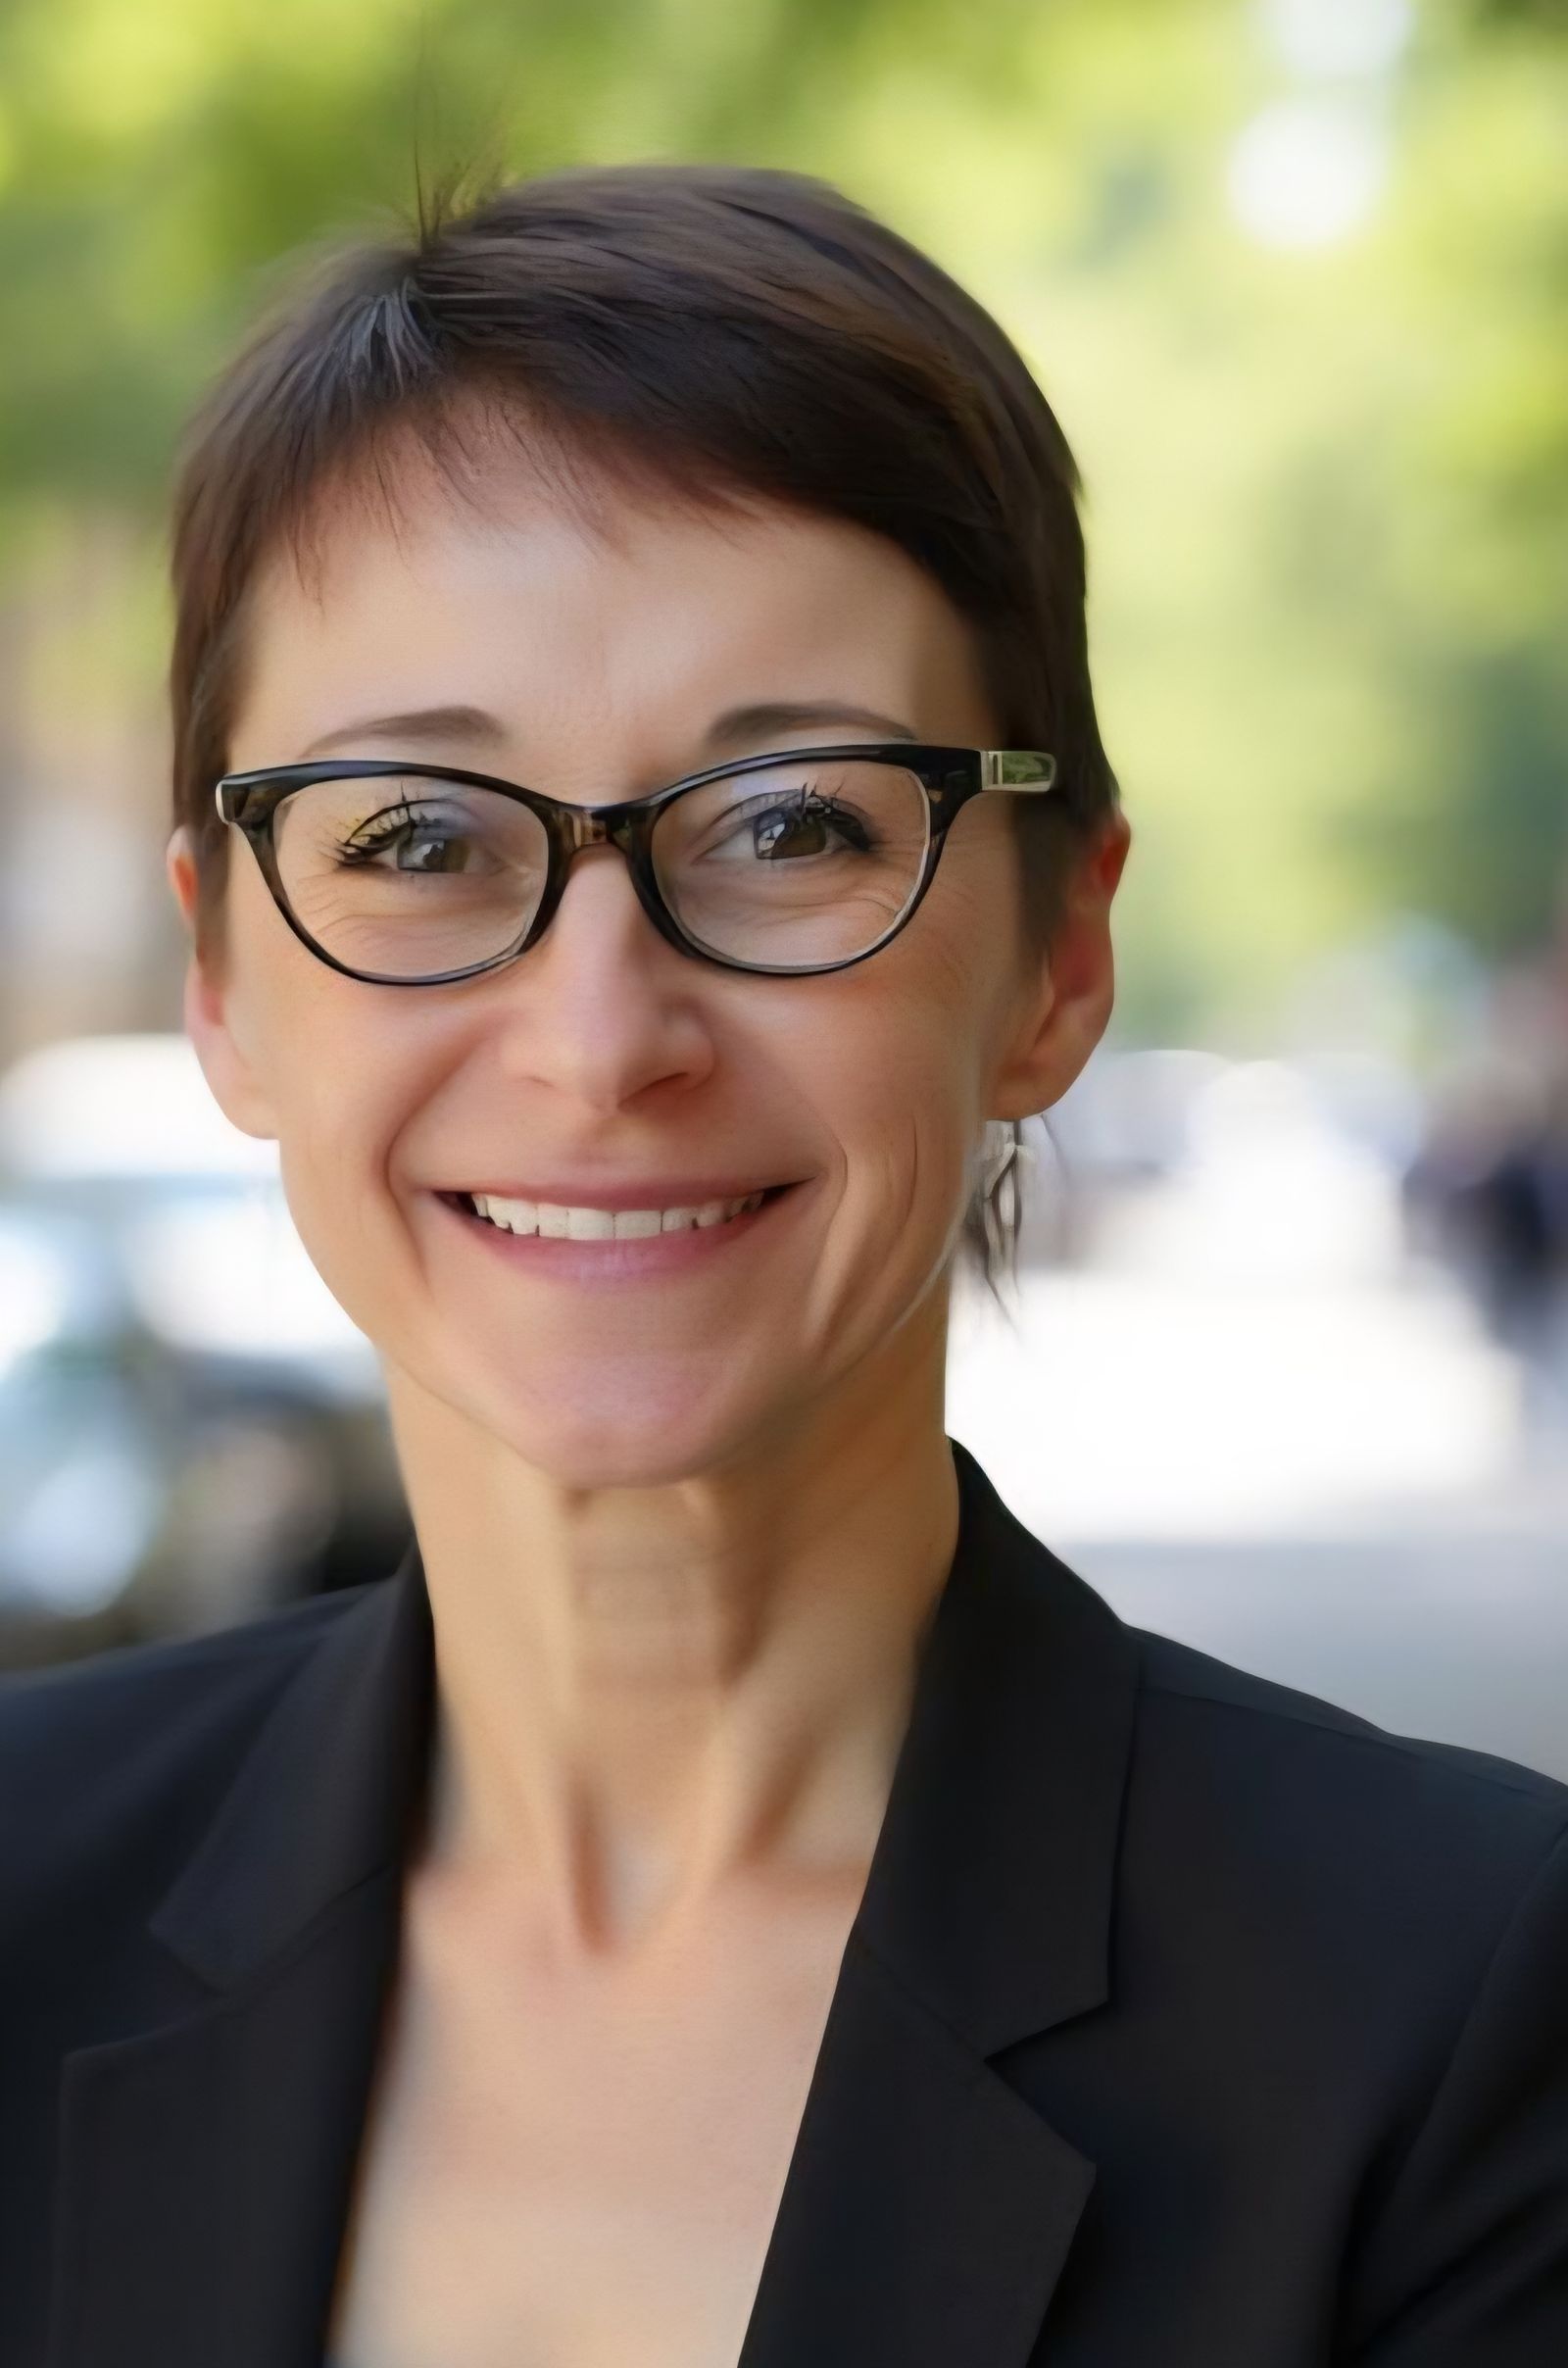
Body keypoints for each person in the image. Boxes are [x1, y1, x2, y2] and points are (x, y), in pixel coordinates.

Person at [3, 161, 1565, 2368]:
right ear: (225, 980)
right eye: (419, 840)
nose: (600, 1040)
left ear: (1055, 954)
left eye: (794, 825)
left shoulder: (1459, 2007)